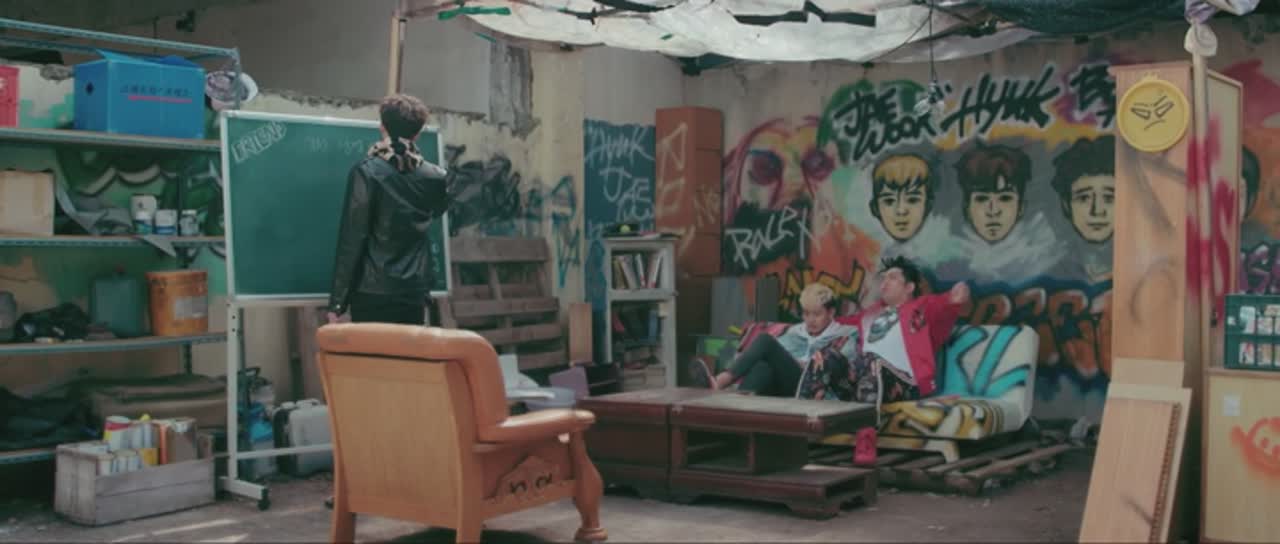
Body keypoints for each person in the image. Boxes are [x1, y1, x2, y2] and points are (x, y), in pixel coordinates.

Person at [325, 93, 454, 327]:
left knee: (374, 352)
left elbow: (352, 238)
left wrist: (337, 303)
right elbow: (438, 210)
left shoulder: (367, 172)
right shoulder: (436, 177)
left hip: (372, 291)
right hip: (413, 291)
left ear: (382, 127)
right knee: (407, 351)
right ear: (417, 133)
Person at [831, 256, 969, 464]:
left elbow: (946, 305)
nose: (885, 283)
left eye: (893, 278)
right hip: (863, 380)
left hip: (905, 385)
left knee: (871, 360)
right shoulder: (870, 314)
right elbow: (839, 325)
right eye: (884, 278)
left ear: (909, 287)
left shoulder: (922, 308)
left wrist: (955, 296)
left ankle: (866, 442)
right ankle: (800, 432)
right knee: (825, 358)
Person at [689, 283, 859, 397]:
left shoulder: (845, 334)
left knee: (765, 340)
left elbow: (841, 368)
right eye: (806, 314)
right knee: (764, 367)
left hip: (814, 388)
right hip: (786, 385)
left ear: (831, 312)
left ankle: (720, 381)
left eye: (817, 314)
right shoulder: (795, 332)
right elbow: (774, 357)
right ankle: (739, 412)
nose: (810, 320)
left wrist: (803, 364)